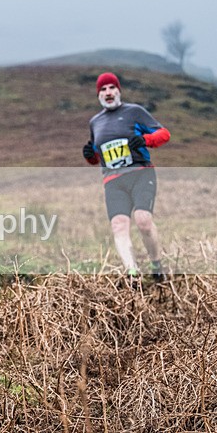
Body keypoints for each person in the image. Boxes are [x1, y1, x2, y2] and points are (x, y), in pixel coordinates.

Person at [82, 72, 171, 282]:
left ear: (119, 91)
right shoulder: (95, 122)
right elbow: (98, 156)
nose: (108, 92)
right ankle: (132, 274)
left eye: (112, 87)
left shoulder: (134, 112)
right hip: (113, 181)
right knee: (119, 225)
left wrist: (145, 140)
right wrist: (90, 157)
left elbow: (164, 134)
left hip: (140, 173)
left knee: (143, 221)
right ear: (99, 95)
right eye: (103, 89)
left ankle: (156, 264)